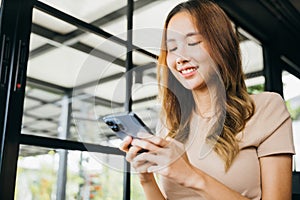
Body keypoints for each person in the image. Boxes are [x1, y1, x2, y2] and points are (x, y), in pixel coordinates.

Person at [120, 0, 295, 199]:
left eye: (192, 43)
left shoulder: (267, 107)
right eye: (172, 48)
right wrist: (146, 178)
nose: (180, 57)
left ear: (222, 45)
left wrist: (191, 176)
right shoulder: (170, 122)